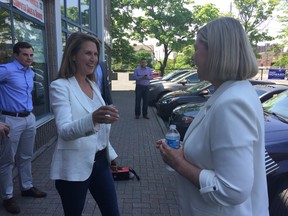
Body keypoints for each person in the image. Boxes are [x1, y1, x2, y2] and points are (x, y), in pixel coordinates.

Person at [156, 17, 269, 216]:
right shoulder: (232, 92)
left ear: (215, 53)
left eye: (196, 49)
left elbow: (231, 190)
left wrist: (179, 163)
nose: (192, 57)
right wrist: (183, 153)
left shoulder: (232, 103)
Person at [49, 32, 120, 216]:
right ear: (73, 55)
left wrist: (111, 154)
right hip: (74, 167)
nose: (93, 59)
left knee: (113, 213)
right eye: (88, 53)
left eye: (95, 54)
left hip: (100, 164)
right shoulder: (60, 86)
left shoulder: (93, 85)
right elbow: (64, 131)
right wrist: (94, 118)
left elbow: (100, 129)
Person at [0, 42, 47, 214]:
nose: (29, 58)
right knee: (7, 161)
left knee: (26, 156)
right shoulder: (6, 70)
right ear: (16, 55)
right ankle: (7, 197)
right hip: (10, 120)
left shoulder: (30, 72)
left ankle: (27, 188)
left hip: (29, 118)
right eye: (25, 55)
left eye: (31, 55)